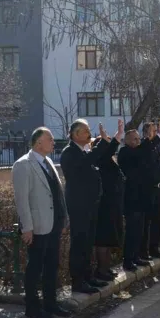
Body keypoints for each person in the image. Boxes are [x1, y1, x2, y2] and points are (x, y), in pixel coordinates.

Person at [12, 127, 72, 318]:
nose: (54, 143)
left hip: (53, 223)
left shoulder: (48, 162)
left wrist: (64, 219)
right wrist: (27, 227)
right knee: (35, 267)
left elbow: (57, 193)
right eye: (50, 139)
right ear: (38, 142)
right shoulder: (23, 164)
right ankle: (32, 307)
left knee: (52, 265)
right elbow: (22, 199)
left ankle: (50, 303)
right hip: (37, 226)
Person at [60, 119, 123, 294]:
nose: (89, 133)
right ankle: (78, 281)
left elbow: (96, 157)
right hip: (79, 207)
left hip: (91, 205)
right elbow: (87, 161)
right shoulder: (70, 153)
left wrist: (111, 139)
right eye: (86, 131)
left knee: (88, 243)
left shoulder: (84, 151)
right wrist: (102, 142)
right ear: (76, 134)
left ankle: (88, 277)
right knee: (79, 244)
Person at [93, 136, 124, 281]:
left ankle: (107, 267)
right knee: (102, 239)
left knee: (111, 238)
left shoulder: (110, 160)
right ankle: (101, 269)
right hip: (103, 205)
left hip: (113, 204)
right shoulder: (100, 159)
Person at [117, 129, 148, 271]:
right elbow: (138, 154)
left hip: (141, 198)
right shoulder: (124, 152)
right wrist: (152, 140)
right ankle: (128, 260)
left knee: (139, 230)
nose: (137, 141)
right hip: (130, 200)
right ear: (127, 140)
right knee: (131, 231)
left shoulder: (139, 153)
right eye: (134, 139)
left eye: (138, 139)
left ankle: (136, 256)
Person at [140, 120, 160, 261]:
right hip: (148, 191)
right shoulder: (143, 146)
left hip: (159, 190)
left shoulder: (157, 147)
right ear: (146, 132)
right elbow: (147, 153)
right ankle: (143, 252)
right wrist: (158, 136)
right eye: (153, 130)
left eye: (156, 130)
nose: (156, 132)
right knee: (146, 223)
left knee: (158, 221)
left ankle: (154, 248)